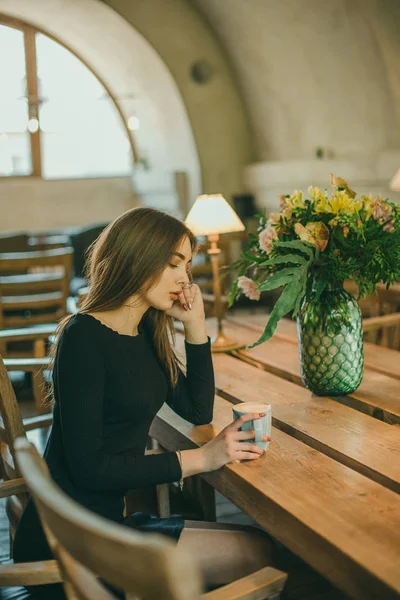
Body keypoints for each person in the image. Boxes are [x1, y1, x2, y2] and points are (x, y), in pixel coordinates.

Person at [13, 207, 273, 598]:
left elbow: (197, 410)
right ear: (138, 257)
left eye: (187, 266)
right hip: (73, 537)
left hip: (104, 521)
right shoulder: (83, 336)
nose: (185, 278)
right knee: (259, 554)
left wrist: (195, 326)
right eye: (174, 264)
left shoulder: (146, 330)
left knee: (262, 547)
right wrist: (202, 458)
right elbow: (90, 469)